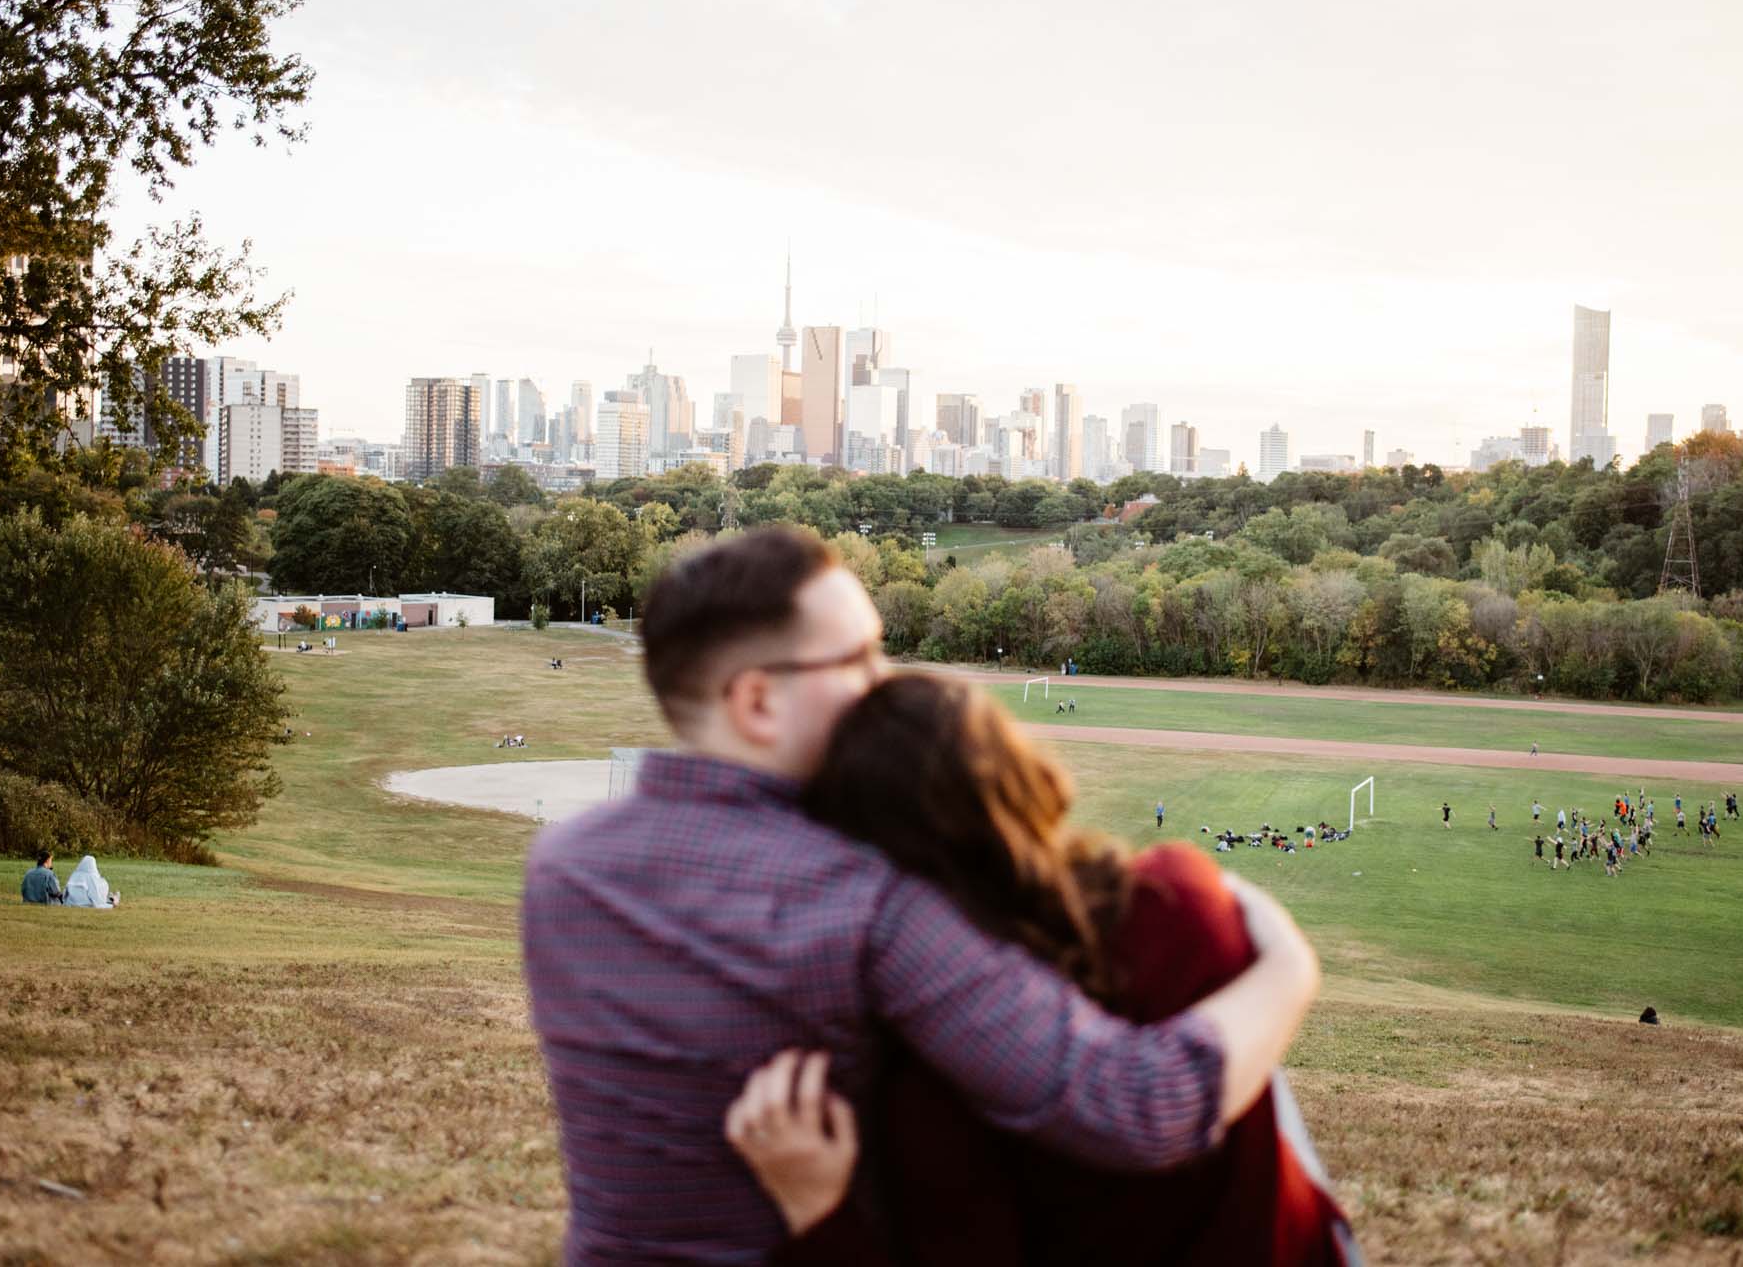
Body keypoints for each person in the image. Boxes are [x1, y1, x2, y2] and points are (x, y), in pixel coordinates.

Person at [521, 528, 1328, 1264]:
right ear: (758, 701)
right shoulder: (863, 896)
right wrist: (1289, 964)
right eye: (861, 659)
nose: (887, 682)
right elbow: (1135, 1105)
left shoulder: (560, 869)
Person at [732, 673, 1354, 1266]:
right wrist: (1292, 966)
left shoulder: (921, 1085)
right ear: (1023, 774)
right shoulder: (1177, 896)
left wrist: (817, 1213)